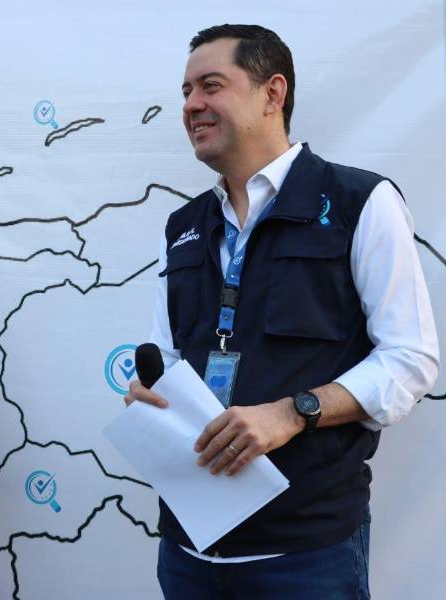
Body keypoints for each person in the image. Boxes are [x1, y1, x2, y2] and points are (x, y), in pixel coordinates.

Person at [125, 24, 439, 599]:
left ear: (273, 93)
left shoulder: (359, 203)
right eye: (186, 92)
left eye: (210, 85)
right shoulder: (184, 226)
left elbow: (410, 359)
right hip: (188, 549)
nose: (191, 105)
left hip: (307, 554)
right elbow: (166, 355)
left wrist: (294, 413)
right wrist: (153, 398)